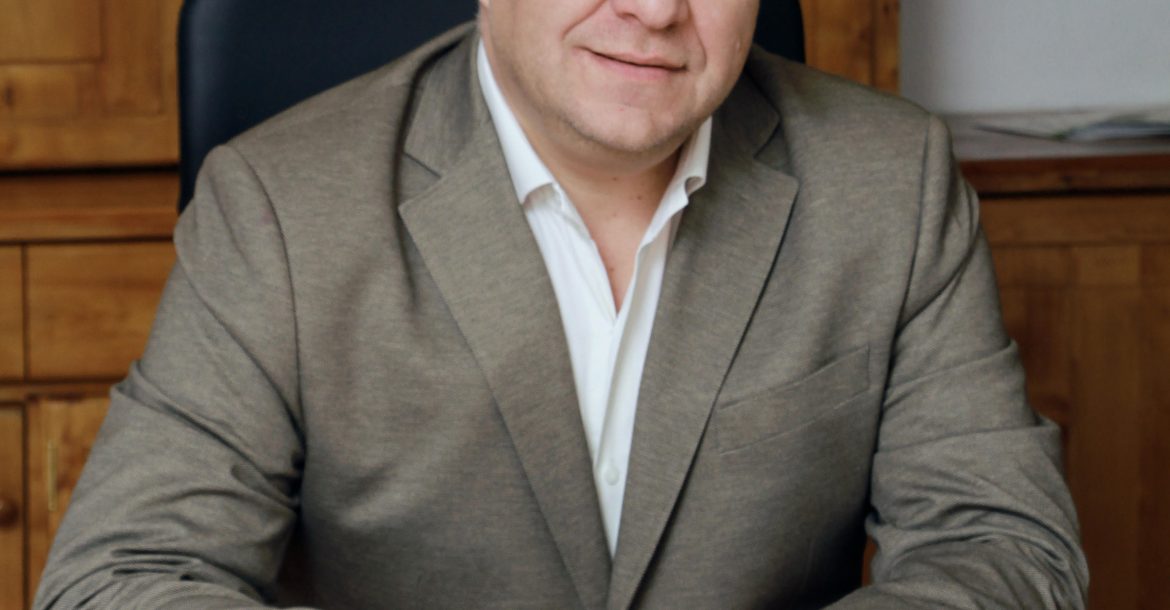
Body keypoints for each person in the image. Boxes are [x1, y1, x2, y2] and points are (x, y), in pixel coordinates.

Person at [35, 1, 1088, 608]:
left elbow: (1004, 545)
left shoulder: (892, 182)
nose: (656, 10)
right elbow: (123, 577)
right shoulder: (278, 205)